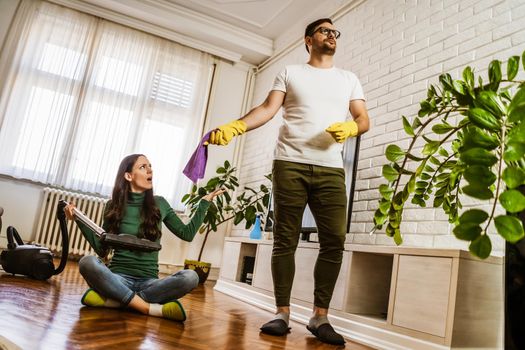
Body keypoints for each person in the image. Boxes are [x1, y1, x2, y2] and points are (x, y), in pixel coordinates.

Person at [207, 18, 369, 345]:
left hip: (330, 169)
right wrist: (236, 127)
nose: (331, 36)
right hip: (290, 164)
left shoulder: (348, 79)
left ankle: (320, 316)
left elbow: (363, 118)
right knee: (285, 239)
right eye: (324, 31)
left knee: (334, 240)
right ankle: (282, 312)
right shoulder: (290, 72)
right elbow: (268, 109)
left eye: (335, 32)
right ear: (309, 40)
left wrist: (352, 128)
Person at [65, 154, 223, 321]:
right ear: (128, 176)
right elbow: (101, 249)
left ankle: (116, 300)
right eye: (143, 167)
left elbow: (187, 233)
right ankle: (147, 308)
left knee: (191, 277)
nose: (150, 170)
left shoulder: (160, 203)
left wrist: (204, 203)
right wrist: (78, 220)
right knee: (87, 262)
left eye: (150, 166)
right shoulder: (113, 205)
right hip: (119, 278)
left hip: (150, 283)